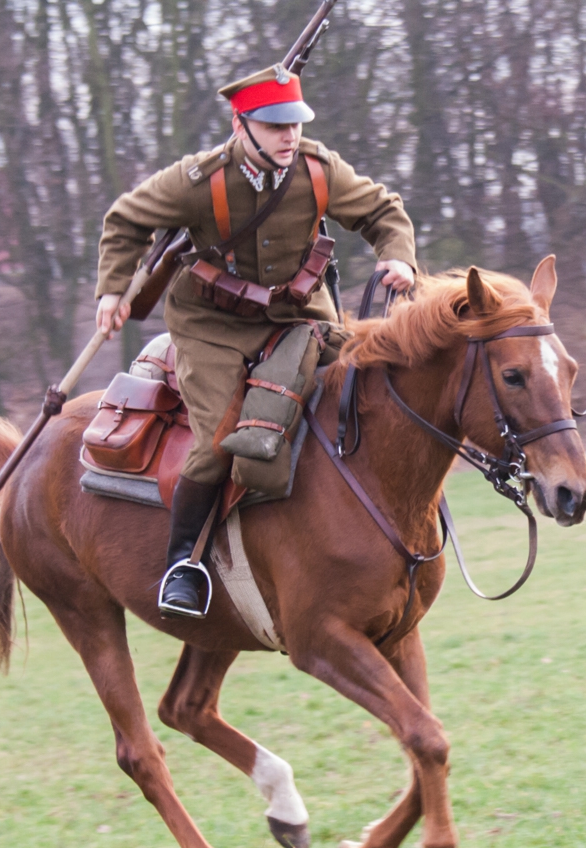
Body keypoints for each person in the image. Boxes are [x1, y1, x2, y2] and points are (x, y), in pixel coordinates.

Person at [95, 63, 417, 619]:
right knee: (220, 437)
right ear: (240, 125)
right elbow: (125, 219)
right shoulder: (199, 182)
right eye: (274, 125)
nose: (289, 136)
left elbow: (382, 210)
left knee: (373, 387)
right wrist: (111, 290)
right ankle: (184, 566)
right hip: (212, 325)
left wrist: (399, 256)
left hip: (299, 315)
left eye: (294, 123)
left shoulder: (319, 170)